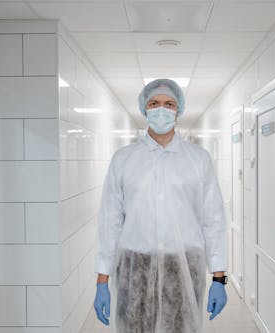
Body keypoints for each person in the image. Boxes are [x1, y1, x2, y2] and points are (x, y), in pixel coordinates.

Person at [93, 78, 228, 332]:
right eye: (154, 103)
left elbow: (214, 220)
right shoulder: (124, 160)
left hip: (185, 269)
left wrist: (219, 278)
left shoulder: (198, 160)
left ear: (178, 110)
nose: (161, 109)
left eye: (169, 103)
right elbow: (110, 222)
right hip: (135, 269)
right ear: (145, 109)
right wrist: (102, 279)